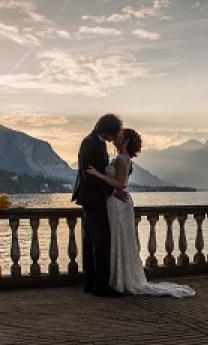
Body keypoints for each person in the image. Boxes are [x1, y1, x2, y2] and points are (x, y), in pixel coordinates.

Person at [86, 128, 195, 298]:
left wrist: (96, 174)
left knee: (119, 238)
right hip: (117, 202)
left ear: (127, 141)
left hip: (118, 204)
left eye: (120, 136)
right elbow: (118, 186)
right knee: (119, 239)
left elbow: (120, 184)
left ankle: (121, 280)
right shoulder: (121, 158)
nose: (116, 138)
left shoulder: (122, 159)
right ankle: (119, 278)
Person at [72, 114, 128, 297]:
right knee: (102, 241)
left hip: (92, 198)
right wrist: (112, 191)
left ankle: (91, 282)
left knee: (91, 242)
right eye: (115, 132)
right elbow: (88, 174)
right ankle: (101, 285)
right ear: (108, 130)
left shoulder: (97, 142)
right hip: (92, 198)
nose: (115, 137)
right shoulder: (90, 142)